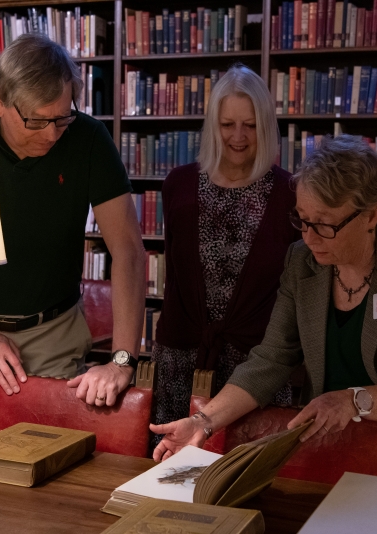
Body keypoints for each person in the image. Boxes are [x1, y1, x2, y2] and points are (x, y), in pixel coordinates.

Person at [151, 134, 377, 489]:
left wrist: (353, 400)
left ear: (371, 215)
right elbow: (271, 358)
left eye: (325, 224)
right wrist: (204, 421)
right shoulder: (302, 262)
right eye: (303, 220)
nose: (310, 238)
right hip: (339, 446)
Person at [0, 33, 145, 432]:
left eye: (62, 117)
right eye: (37, 120)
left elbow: (127, 251)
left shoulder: (88, 139)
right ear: (0, 100)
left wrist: (123, 359)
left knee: (44, 461)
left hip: (54, 335)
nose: (52, 133)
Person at [152, 64, 298, 446]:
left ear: (265, 126)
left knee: (244, 474)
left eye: (249, 125)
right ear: (212, 125)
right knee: (171, 469)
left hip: (256, 364)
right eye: (227, 124)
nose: (238, 136)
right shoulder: (178, 186)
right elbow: (175, 280)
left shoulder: (290, 194)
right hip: (181, 355)